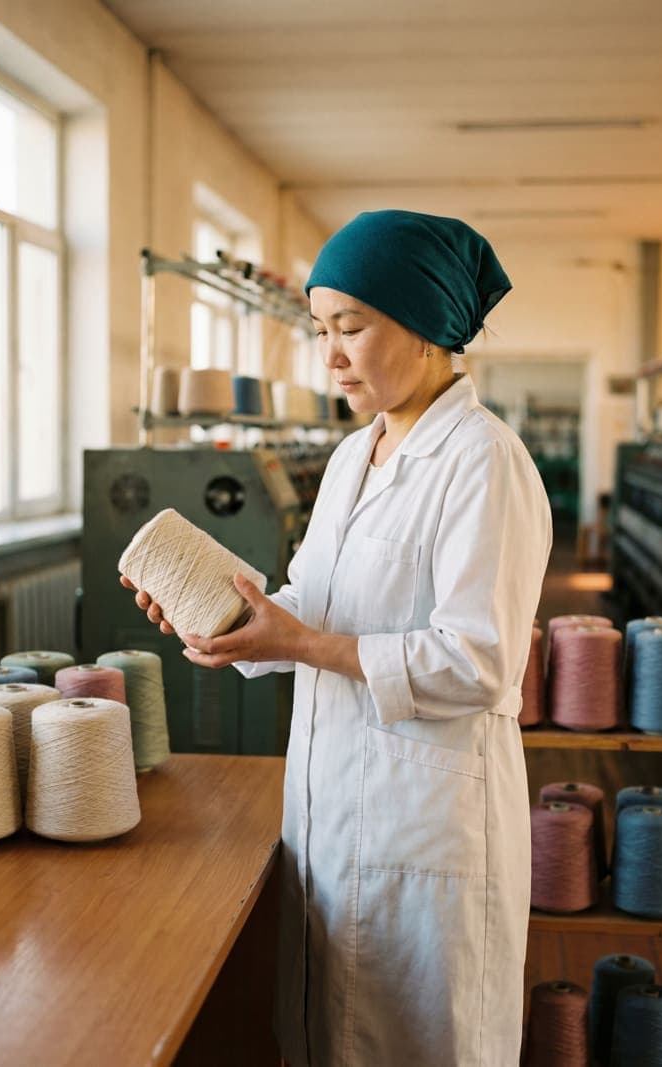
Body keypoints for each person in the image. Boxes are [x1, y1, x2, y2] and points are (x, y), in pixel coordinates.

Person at [122, 209, 552, 1066]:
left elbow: (479, 659)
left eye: (350, 327)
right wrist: (232, 622)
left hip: (424, 832)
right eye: (321, 330)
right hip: (330, 813)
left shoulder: (483, 460)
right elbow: (311, 607)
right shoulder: (357, 458)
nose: (330, 355)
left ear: (427, 323)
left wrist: (307, 643)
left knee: (422, 1043)